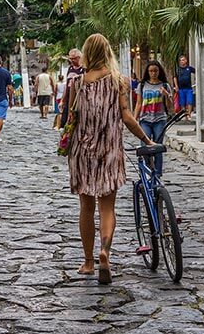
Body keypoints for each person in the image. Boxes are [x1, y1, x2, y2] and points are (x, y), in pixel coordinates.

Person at [68, 34, 154, 284]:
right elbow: (126, 116)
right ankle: (105, 251)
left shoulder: (79, 82)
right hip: (109, 149)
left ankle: (87, 262)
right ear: (107, 52)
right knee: (107, 207)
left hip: (82, 150)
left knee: (86, 207)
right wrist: (147, 140)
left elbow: (72, 119)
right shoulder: (119, 81)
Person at [133, 61, 174, 177]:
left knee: (158, 147)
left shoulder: (165, 85)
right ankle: (148, 170)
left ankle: (158, 174)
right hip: (145, 119)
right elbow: (139, 103)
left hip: (159, 120)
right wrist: (134, 119)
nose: (153, 73)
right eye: (151, 71)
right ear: (147, 72)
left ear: (159, 71)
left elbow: (170, 106)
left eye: (155, 71)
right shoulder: (142, 85)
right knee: (145, 146)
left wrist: (166, 95)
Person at [59, 48, 84, 127]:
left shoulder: (84, 69)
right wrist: (62, 100)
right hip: (69, 97)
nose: (72, 60)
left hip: (79, 98)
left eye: (74, 58)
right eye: (71, 59)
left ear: (79, 58)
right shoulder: (70, 69)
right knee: (66, 121)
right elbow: (67, 86)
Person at [173, 55, 196, 120]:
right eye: (180, 60)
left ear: (186, 61)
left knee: (189, 101)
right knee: (182, 102)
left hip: (188, 88)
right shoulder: (178, 69)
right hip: (181, 89)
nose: (182, 61)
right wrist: (176, 86)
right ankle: (184, 115)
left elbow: (197, 72)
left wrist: (196, 80)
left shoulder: (189, 68)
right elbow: (175, 77)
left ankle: (189, 115)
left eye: (183, 60)